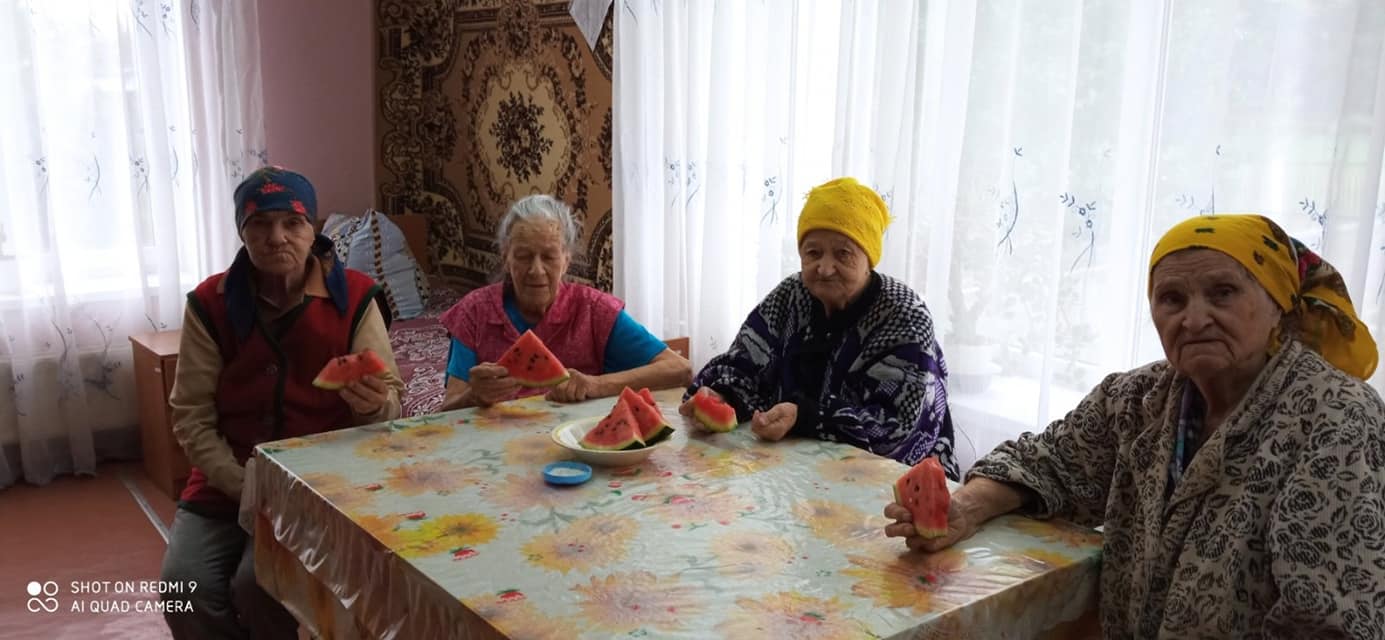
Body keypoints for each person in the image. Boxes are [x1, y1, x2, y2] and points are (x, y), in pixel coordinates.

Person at [886, 214, 1384, 637]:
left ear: (1278, 306)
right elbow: (1048, 462)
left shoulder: (1337, 419)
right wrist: (966, 508)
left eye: (1223, 293)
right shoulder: (1139, 397)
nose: (1194, 319)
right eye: (1172, 299)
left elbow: (1330, 619)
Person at [159, 167, 404, 639]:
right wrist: (245, 486)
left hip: (317, 485)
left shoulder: (356, 297)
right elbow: (191, 416)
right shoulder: (209, 303)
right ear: (241, 232)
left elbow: (389, 403)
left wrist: (373, 406)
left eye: (292, 223)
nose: (276, 237)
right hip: (225, 478)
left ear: (313, 229)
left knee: (261, 587)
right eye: (260, 224)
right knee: (183, 589)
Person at [679, 177, 957, 475]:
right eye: (813, 253)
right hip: (794, 469)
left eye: (843, 254)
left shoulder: (904, 315)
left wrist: (808, 417)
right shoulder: (791, 294)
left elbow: (896, 428)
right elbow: (744, 363)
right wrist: (722, 394)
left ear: (869, 259)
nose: (824, 269)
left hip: (895, 480)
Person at [439, 194, 691, 409]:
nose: (536, 270)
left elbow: (680, 369)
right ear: (506, 258)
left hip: (574, 444)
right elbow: (447, 408)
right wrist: (474, 396)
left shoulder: (594, 310)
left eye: (549, 257)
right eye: (523, 256)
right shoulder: (474, 311)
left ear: (566, 260)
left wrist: (595, 384)